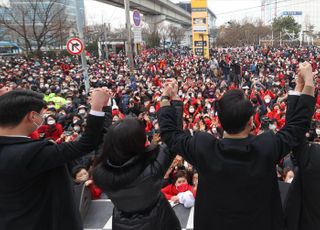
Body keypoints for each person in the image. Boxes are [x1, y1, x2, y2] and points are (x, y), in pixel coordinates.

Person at [157, 62, 315, 230]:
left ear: (220, 121)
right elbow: (297, 127)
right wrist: (305, 85)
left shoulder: (203, 148)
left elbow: (170, 134)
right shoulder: (266, 147)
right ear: (250, 121)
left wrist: (168, 98)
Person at [0, 88, 110, 230]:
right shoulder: (32, 153)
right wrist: (97, 107)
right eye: (42, 115)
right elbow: (86, 143)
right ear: (32, 116)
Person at [92, 107, 183, 230]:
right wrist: (170, 103)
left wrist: (104, 108)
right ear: (137, 142)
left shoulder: (100, 172)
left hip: (121, 223)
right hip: (159, 222)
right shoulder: (152, 169)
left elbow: (101, 139)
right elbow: (174, 137)